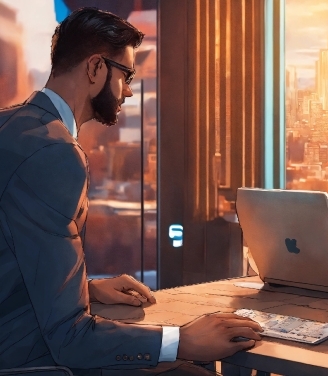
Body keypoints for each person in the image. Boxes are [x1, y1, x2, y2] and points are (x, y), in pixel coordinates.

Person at [0, 7, 261, 375]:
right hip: (26, 360)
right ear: (95, 68)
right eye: (126, 75)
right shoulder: (55, 152)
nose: (129, 91)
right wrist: (181, 339)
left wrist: (84, 288)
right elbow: (69, 339)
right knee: (191, 369)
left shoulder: (11, 127)